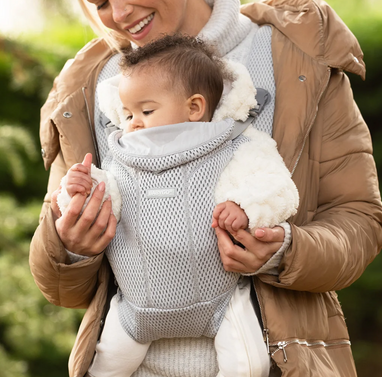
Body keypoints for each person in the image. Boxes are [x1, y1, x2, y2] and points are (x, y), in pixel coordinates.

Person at [29, 0, 382, 376]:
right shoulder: (91, 88)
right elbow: (61, 285)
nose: (118, 14)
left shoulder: (293, 57)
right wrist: (71, 246)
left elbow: (361, 221)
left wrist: (284, 248)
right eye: (98, 3)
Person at [56, 35, 299, 377]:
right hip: (136, 308)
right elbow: (103, 197)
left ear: (195, 108)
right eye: (126, 114)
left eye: (146, 111)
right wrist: (77, 193)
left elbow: (276, 186)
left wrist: (246, 207)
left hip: (222, 299)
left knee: (248, 364)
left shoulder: (234, 146)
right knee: (105, 365)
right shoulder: (122, 158)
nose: (133, 124)